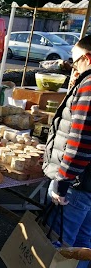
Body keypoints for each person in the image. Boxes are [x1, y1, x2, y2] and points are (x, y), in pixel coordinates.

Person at [44, 35, 91, 268]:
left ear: (87, 58)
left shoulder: (90, 85)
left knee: (60, 246)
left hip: (77, 185)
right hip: (87, 184)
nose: (73, 67)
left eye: (74, 62)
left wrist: (62, 181)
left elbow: (80, 140)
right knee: (84, 245)